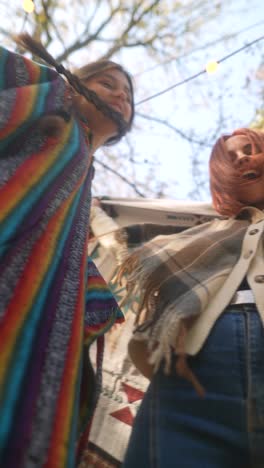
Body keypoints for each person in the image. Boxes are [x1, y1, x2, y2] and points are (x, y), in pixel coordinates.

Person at [0, 34, 134, 468]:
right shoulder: (50, 92)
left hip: (28, 367)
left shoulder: (85, 178)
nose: (120, 94)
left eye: (128, 94)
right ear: (77, 83)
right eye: (108, 82)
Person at [119, 128, 264, 468]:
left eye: (251, 149)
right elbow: (117, 253)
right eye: (231, 157)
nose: (242, 157)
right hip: (190, 386)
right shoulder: (198, 238)